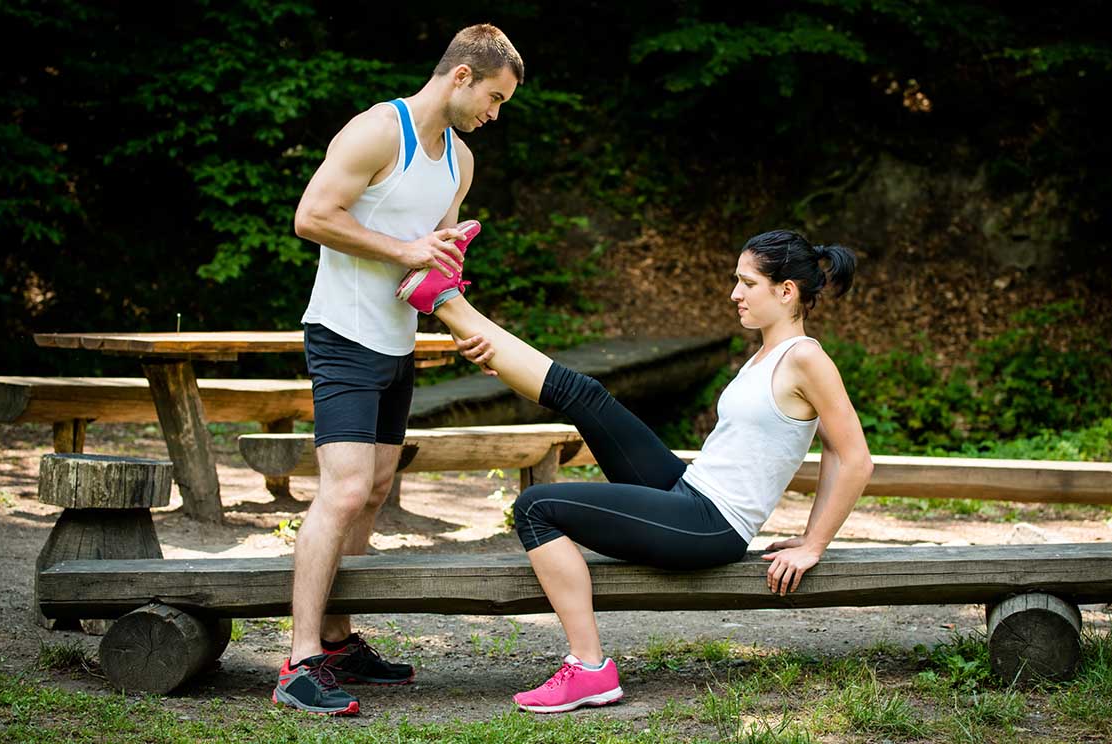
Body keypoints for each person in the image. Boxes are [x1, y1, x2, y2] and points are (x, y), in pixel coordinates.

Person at [407, 227, 874, 713]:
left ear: (786, 291)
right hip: (688, 490)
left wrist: (814, 543)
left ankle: (589, 669)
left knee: (536, 507)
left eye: (747, 283)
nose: (734, 293)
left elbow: (852, 457)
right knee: (586, 395)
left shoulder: (806, 358)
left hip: (710, 524)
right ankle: (444, 299)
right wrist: (505, 363)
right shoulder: (764, 355)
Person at [276, 25, 524, 716]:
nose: (494, 114)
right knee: (346, 489)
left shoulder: (460, 162)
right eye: (494, 98)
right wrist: (408, 249)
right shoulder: (378, 131)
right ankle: (297, 662)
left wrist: (466, 326)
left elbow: (431, 262)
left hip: (398, 342)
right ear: (462, 76)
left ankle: (337, 641)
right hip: (342, 334)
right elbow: (311, 216)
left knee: (378, 486)